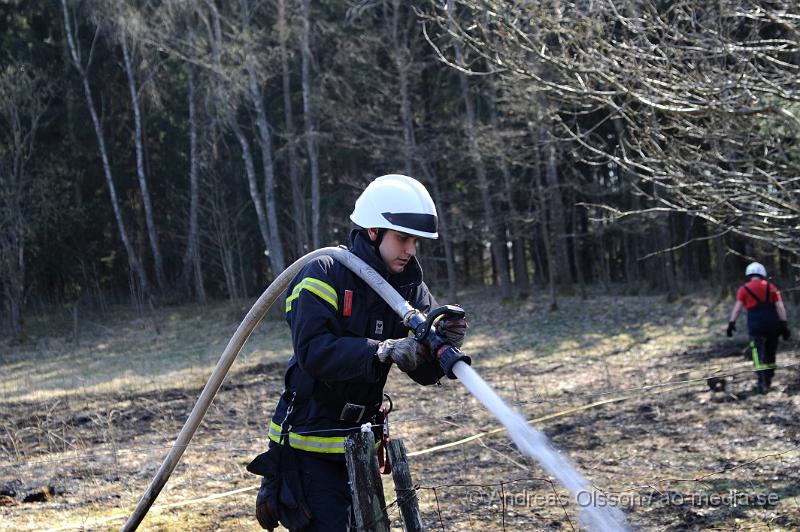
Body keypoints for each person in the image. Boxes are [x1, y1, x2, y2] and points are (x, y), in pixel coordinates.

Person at [247, 174, 468, 531]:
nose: (410, 250)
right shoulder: (325, 272)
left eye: (415, 241)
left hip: (360, 445)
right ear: (372, 231)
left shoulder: (408, 288)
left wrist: (444, 344)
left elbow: (423, 372)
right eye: (402, 238)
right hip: (309, 444)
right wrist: (382, 351)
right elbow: (313, 351)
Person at [727, 261, 791, 393]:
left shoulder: (744, 289)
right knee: (770, 352)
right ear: (763, 274)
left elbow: (737, 308)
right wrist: (784, 325)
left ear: (748, 274)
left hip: (755, 326)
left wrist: (731, 323)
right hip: (773, 324)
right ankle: (769, 379)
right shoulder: (771, 287)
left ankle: (761, 380)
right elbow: (780, 307)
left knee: (756, 352)